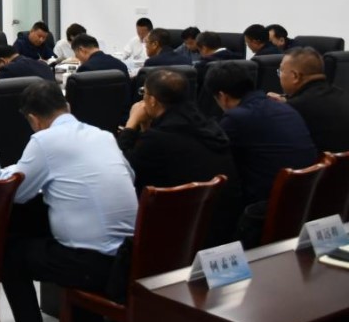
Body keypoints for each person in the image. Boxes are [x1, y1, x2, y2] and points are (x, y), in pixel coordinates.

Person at [0, 81, 137, 322]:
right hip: (128, 258)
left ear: (33, 120)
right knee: (72, 235)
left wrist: (10, 172)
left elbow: (19, 193)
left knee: (10, 255)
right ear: (68, 107)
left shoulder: (44, 140)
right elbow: (129, 177)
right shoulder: (102, 135)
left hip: (92, 265)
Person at [117, 70, 242, 247]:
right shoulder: (209, 125)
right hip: (221, 227)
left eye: (144, 93)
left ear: (152, 100)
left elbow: (122, 169)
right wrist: (146, 127)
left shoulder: (158, 140)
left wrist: (131, 123)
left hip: (175, 235)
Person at [206, 61, 317, 208]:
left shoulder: (236, 118)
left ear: (222, 96)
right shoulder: (284, 107)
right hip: (306, 198)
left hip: (267, 207)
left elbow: (217, 164)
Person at [273, 47, 349, 153]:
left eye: (281, 71)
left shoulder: (292, 111)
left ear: (295, 76)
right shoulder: (343, 95)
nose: (280, 76)